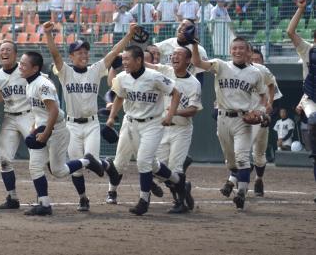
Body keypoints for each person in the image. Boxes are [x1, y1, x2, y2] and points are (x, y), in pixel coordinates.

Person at [45, 21, 134, 211]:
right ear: (72, 56)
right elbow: (55, 54)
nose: (84, 55)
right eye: (79, 52)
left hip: (92, 124)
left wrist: (129, 35)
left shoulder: (95, 70)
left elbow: (112, 53)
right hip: (72, 125)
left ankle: (108, 167)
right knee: (77, 168)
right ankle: (83, 198)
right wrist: (48, 34)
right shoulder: (65, 72)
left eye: (85, 52)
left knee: (91, 160)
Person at [105, 45, 189, 215]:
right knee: (152, 164)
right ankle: (178, 181)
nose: (124, 62)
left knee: (143, 161)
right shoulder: (122, 78)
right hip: (130, 123)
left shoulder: (155, 76)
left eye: (127, 59)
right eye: (123, 59)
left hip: (152, 124)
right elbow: (119, 96)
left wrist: (170, 115)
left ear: (139, 60)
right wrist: (112, 117)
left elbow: (176, 93)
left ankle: (144, 200)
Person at [18, 51, 105, 216]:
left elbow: (53, 111)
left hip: (56, 130)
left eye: (24, 64)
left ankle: (87, 161)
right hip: (42, 127)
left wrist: (46, 134)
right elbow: (39, 111)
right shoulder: (30, 82)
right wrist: (34, 127)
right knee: (35, 166)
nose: (20, 67)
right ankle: (44, 204)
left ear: (35, 68)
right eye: (20, 63)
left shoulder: (42, 84)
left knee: (59, 171)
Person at [192, 36, 266, 210]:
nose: (237, 51)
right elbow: (197, 62)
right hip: (223, 118)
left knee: (242, 157)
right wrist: (195, 45)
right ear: (230, 50)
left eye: (241, 48)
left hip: (243, 119)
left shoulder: (256, 73)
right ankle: (234, 176)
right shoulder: (221, 65)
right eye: (234, 48)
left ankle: (241, 193)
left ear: (248, 52)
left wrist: (259, 111)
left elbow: (263, 96)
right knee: (231, 161)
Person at [148, 46, 201, 211]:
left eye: (179, 55)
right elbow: (146, 65)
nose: (174, 57)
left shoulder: (194, 83)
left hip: (181, 129)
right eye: (173, 54)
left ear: (188, 60)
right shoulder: (165, 71)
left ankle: (181, 203)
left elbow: (193, 110)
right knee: (159, 169)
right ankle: (184, 188)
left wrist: (173, 111)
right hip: (162, 128)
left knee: (176, 169)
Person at [0, 40, 34, 209]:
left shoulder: (25, 71)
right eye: (1, 50)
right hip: (9, 117)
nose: (4, 53)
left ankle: (43, 197)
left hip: (29, 116)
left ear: (15, 55)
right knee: (5, 160)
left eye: (8, 50)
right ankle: (12, 197)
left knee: (38, 158)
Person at [286, 0, 316, 202]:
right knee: (313, 119)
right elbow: (290, 32)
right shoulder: (308, 49)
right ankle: (313, 149)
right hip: (311, 97)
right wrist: (301, 9)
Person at [250, 48, 282, 197]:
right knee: (240, 152)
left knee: (259, 154)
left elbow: (272, 102)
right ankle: (239, 180)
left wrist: (265, 115)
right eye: (253, 59)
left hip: (260, 118)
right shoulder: (242, 74)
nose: (255, 62)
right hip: (243, 117)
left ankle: (259, 179)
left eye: (258, 60)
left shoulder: (267, 75)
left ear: (262, 62)